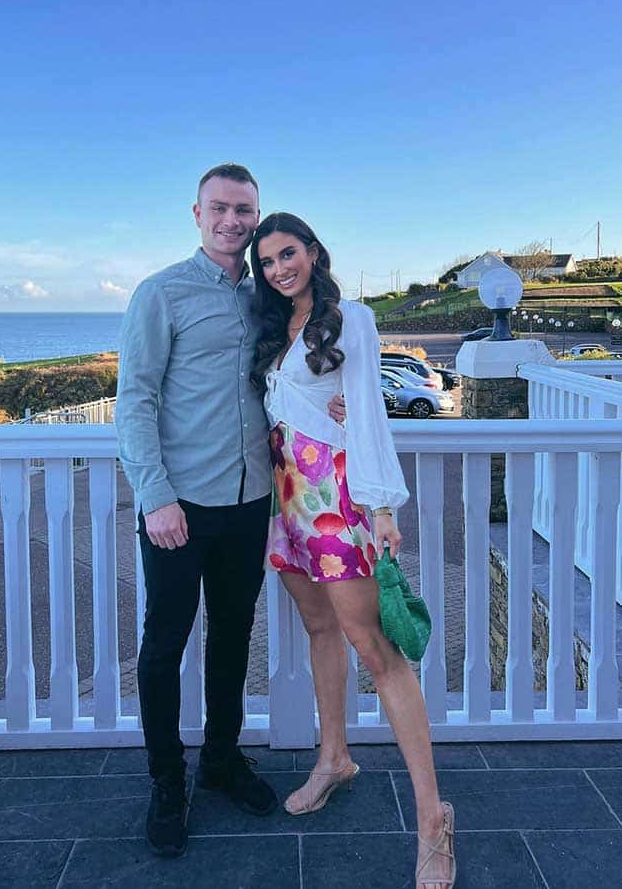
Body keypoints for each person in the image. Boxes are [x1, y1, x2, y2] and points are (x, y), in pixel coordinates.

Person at [115, 165, 345, 858]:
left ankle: (220, 760)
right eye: (220, 208)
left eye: (244, 210)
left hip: (249, 504)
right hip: (178, 507)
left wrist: (333, 405)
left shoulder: (260, 300)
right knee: (162, 648)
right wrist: (154, 495)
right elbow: (136, 400)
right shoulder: (161, 294)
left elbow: (295, 372)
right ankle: (167, 781)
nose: (233, 221)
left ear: (256, 215)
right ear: (197, 213)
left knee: (232, 637)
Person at [250, 213, 456, 889]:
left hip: (336, 501)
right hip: (288, 503)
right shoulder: (270, 327)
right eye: (269, 260)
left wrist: (382, 504)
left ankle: (433, 820)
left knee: (376, 649)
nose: (281, 268)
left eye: (289, 253)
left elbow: (365, 408)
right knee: (319, 629)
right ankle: (334, 758)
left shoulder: (352, 319)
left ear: (313, 252)